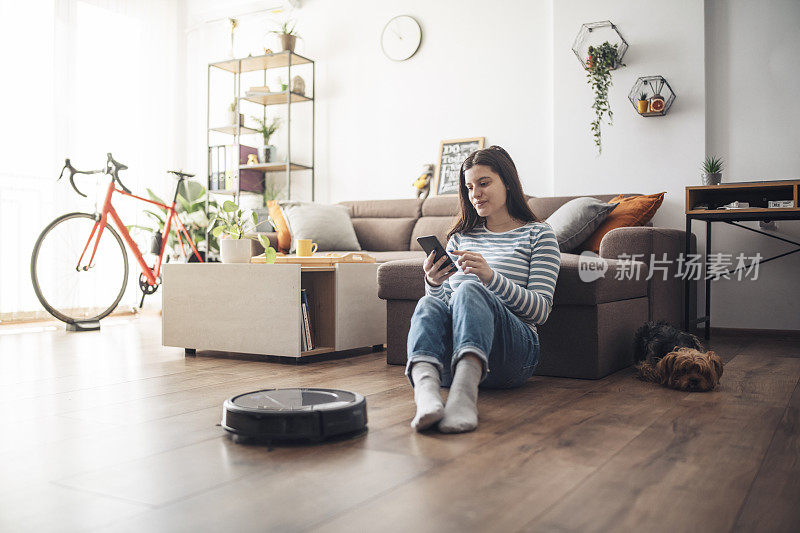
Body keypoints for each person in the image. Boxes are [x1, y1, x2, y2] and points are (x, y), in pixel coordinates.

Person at [406, 145, 561, 433]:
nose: (474, 193)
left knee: (470, 291)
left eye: (484, 183)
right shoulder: (460, 237)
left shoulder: (539, 234)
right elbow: (445, 307)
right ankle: (426, 394)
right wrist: (434, 284)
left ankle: (464, 395)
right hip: (449, 360)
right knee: (428, 304)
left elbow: (540, 312)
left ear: (508, 183)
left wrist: (490, 277)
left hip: (512, 359)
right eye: (468, 187)